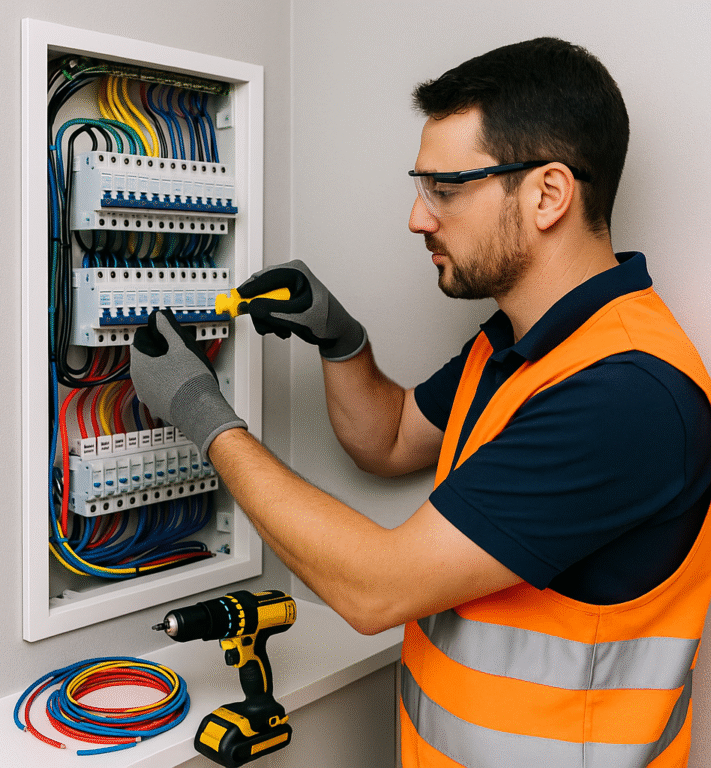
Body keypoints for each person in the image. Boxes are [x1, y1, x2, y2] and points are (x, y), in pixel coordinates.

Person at [131, 37, 711, 768]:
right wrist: (340, 341)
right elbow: (392, 437)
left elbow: (374, 591)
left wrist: (201, 414)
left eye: (445, 188)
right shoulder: (519, 344)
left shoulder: (625, 395)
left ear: (548, 194)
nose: (418, 217)